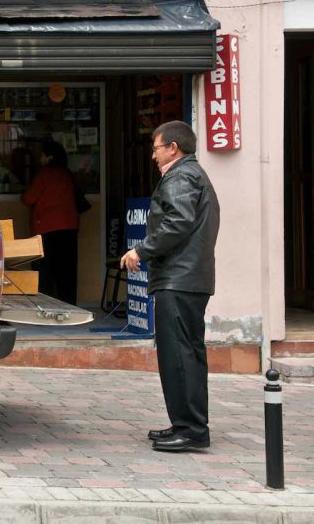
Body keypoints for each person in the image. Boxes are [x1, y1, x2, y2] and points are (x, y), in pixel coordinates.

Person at [120, 121, 220, 452]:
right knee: (185, 353)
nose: (152, 155)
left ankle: (191, 429)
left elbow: (177, 222)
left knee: (179, 354)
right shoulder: (191, 175)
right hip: (187, 278)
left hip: (179, 279)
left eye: (156, 148)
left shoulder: (182, 176)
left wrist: (141, 250)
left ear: (173, 148)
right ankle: (185, 423)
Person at [21, 139, 80, 304]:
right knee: (67, 272)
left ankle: (47, 307)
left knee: (45, 272)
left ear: (49, 157)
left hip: (47, 229)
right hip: (69, 228)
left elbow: (28, 198)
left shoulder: (44, 175)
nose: (40, 158)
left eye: (42, 155)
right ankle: (69, 307)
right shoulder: (67, 174)